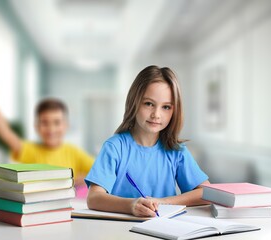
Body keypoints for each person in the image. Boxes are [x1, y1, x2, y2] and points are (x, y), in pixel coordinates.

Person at [85, 65, 210, 217]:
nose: (156, 114)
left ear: (174, 110)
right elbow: (94, 198)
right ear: (134, 102)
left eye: (166, 107)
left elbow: (206, 192)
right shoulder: (115, 147)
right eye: (149, 104)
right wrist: (131, 205)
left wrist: (164, 202)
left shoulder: (176, 150)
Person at [0, 86, 94, 191]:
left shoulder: (74, 152)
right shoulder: (31, 150)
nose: (51, 129)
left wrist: (82, 179)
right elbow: (6, 134)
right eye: (45, 123)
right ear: (36, 127)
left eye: (57, 122)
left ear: (66, 126)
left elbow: (101, 171)